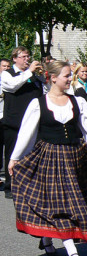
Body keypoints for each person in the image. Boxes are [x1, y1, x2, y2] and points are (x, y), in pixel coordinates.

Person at [8, 61, 87, 256]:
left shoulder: (77, 102)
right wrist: (15, 158)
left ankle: (47, 239)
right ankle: (71, 249)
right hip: (50, 158)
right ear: (52, 78)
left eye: (70, 75)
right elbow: (26, 134)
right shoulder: (38, 104)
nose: (70, 79)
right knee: (61, 202)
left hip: (74, 157)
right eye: (66, 76)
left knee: (72, 199)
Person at [1, 47, 44, 199]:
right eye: (23, 57)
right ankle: (10, 186)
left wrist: (41, 76)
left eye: (28, 56)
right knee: (13, 154)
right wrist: (30, 72)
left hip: (32, 123)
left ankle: (30, 185)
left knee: (32, 155)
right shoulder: (7, 74)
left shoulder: (32, 76)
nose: (27, 59)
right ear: (15, 58)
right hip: (14, 122)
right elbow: (12, 85)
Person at [0, 58, 11, 190]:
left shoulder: (9, 81)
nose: (6, 68)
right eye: (4, 66)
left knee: (7, 149)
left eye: (8, 66)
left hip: (6, 117)